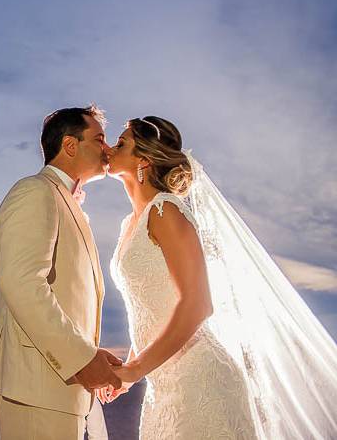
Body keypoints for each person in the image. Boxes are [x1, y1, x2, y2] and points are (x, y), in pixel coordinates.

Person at [102, 116, 337, 439]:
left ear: (144, 159)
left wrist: (137, 368)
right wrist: (130, 373)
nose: (110, 149)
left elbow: (197, 304)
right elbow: (148, 308)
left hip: (201, 379)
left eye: (121, 143)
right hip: (163, 384)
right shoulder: (131, 222)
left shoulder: (165, 211)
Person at [0, 105, 121, 440]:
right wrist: (82, 358)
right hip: (34, 382)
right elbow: (23, 283)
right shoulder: (35, 191)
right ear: (70, 145)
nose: (108, 149)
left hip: (60, 385)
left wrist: (92, 355)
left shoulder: (68, 203)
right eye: (99, 139)